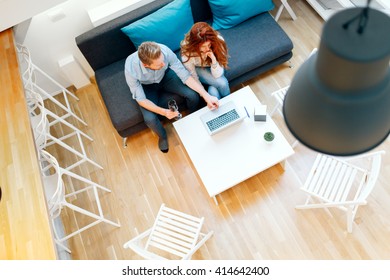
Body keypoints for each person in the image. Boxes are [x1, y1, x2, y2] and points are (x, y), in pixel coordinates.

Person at [124, 41, 219, 153]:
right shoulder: (130, 67)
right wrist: (164, 112)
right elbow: (141, 99)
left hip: (166, 76)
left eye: (163, 60)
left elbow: (185, 76)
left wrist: (207, 96)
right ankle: (162, 136)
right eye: (159, 64)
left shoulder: (164, 51)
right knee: (150, 119)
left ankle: (192, 117)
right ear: (146, 65)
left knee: (192, 95)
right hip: (146, 87)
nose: (164, 63)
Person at [181, 22, 230, 99]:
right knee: (222, 83)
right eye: (203, 46)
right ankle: (228, 104)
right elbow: (193, 76)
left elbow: (217, 75)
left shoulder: (218, 41)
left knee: (213, 91)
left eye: (209, 45)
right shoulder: (187, 53)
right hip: (199, 68)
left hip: (216, 67)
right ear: (195, 45)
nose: (207, 49)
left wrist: (213, 60)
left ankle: (228, 105)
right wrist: (204, 94)